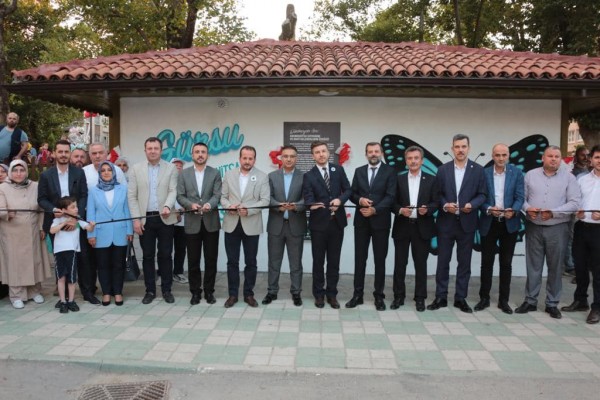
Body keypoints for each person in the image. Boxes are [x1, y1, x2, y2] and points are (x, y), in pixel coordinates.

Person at [515, 145, 581, 319]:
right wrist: (527, 208)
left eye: (557, 156)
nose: (553, 159)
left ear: (560, 159)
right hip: (534, 226)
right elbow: (521, 198)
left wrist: (553, 212)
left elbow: (575, 203)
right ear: (542, 158)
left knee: (555, 267)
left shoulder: (569, 178)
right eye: (550, 156)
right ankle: (530, 300)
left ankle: (552, 303)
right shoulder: (531, 175)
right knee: (533, 266)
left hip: (558, 227)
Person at [428, 134, 486, 313]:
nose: (460, 150)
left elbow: (482, 194)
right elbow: (437, 194)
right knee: (443, 262)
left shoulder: (478, 170)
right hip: (446, 222)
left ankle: (461, 298)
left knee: (464, 263)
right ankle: (441, 297)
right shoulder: (442, 170)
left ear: (469, 148)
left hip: (467, 224)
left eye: (463, 146)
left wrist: (472, 205)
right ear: (452, 148)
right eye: (457, 147)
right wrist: (446, 205)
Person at [37, 140, 92, 305]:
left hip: (76, 220)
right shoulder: (46, 175)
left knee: (82, 258)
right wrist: (54, 209)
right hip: (56, 222)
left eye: (66, 152)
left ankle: (87, 293)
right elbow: (41, 199)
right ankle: (64, 297)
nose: (63, 155)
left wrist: (76, 217)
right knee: (61, 258)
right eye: (60, 151)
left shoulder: (78, 173)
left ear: (70, 153)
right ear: (54, 153)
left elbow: (84, 195)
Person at [128, 137, 178, 304]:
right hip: (145, 219)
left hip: (165, 217)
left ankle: (166, 290)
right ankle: (150, 290)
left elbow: (173, 190)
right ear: (145, 151)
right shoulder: (136, 169)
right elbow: (132, 196)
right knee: (148, 256)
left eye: (156, 148)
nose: (153, 151)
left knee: (165, 255)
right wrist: (136, 220)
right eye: (149, 148)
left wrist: (168, 206)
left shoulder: (171, 168)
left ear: (161, 150)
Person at [476, 143, 525, 314]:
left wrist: (514, 210)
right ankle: (484, 298)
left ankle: (504, 300)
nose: (501, 158)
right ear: (492, 156)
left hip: (509, 223)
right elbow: (479, 197)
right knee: (486, 263)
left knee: (506, 263)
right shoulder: (484, 173)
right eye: (497, 155)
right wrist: (489, 208)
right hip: (489, 222)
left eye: (504, 155)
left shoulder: (516, 173)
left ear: (508, 155)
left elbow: (520, 197)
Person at [346, 142, 396, 311]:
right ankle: (357, 295)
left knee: (379, 260)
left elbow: (391, 196)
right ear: (366, 154)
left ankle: (379, 296)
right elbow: (352, 193)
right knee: (360, 259)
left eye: (376, 151)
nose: (373, 154)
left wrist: (375, 209)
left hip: (381, 222)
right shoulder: (359, 171)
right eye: (370, 152)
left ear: (381, 153)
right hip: (361, 222)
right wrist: (360, 200)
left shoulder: (390, 171)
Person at [303, 141, 351, 309]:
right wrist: (311, 204)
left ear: (328, 153)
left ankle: (332, 294)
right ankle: (319, 294)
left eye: (323, 151)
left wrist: (340, 200)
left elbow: (348, 190)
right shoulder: (309, 175)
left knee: (334, 261)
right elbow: (307, 196)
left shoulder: (338, 170)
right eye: (317, 152)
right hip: (318, 224)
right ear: (313, 156)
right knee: (318, 261)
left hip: (337, 223)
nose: (321, 154)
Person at [391, 146, 439, 312]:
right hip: (402, 226)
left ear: (422, 160)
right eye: (410, 158)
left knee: (420, 264)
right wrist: (400, 210)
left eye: (416, 158)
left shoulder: (432, 179)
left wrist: (428, 209)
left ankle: (420, 298)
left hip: (422, 227)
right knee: (400, 264)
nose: (413, 161)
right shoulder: (398, 179)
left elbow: (436, 202)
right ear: (406, 161)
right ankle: (398, 296)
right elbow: (392, 202)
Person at [221, 145, 270, 308]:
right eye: (245, 158)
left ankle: (249, 294)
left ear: (254, 160)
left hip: (251, 224)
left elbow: (265, 200)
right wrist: (229, 206)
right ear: (239, 159)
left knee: (251, 262)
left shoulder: (262, 177)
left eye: (250, 158)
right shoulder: (229, 175)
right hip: (232, 223)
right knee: (232, 262)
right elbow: (223, 197)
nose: (247, 161)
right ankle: (233, 295)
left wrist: (248, 210)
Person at [0, 160, 51, 309]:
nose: (18, 174)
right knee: (15, 264)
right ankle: (16, 295)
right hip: (12, 233)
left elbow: (41, 208)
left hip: (33, 230)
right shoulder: (3, 188)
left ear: (26, 172)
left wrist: (41, 228)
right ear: (10, 172)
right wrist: (7, 213)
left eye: (22, 170)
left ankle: (35, 291)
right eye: (15, 171)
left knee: (34, 261)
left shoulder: (35, 186)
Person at [176, 143, 222, 305]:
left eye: (203, 152)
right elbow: (180, 196)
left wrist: (209, 204)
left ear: (207, 155)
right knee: (193, 260)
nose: (200, 154)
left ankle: (209, 291)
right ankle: (195, 292)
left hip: (211, 222)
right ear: (192, 155)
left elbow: (218, 195)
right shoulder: (184, 174)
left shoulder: (215, 173)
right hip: (192, 222)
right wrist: (190, 205)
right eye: (197, 152)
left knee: (211, 260)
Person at [262, 145, 306, 307]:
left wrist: (295, 206)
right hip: (276, 225)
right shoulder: (272, 176)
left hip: (296, 225)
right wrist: (278, 206)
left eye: (292, 156)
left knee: (296, 263)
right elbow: (268, 197)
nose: (288, 159)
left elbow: (307, 198)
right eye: (285, 156)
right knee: (274, 262)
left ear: (296, 158)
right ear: (280, 158)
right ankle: (272, 291)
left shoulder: (304, 177)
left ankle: (296, 292)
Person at [561, 144, 600, 324]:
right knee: (580, 266)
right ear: (591, 160)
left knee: (598, 271)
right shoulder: (582, 179)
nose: (599, 161)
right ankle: (580, 300)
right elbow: (575, 200)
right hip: (582, 227)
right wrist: (577, 211)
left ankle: (597, 307)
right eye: (597, 157)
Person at [86, 161, 133, 306]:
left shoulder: (122, 189)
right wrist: (91, 234)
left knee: (119, 264)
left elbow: (127, 210)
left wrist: (129, 230)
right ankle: (106, 292)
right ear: (99, 174)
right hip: (101, 233)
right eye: (103, 170)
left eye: (109, 170)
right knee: (103, 265)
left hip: (120, 232)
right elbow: (91, 213)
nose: (106, 172)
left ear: (113, 172)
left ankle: (118, 292)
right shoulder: (93, 191)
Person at [50, 196, 94, 313]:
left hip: (72, 251)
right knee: (61, 278)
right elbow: (52, 230)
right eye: (73, 207)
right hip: (59, 252)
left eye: (76, 206)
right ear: (64, 210)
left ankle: (71, 301)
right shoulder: (58, 219)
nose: (76, 209)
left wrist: (92, 225)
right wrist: (65, 222)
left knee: (72, 278)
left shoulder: (78, 219)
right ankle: (63, 301)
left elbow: (88, 228)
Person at [171, 158, 188, 284]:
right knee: (165, 249)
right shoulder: (165, 180)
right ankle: (163, 274)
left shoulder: (186, 181)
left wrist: (184, 208)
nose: (178, 167)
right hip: (168, 221)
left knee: (181, 248)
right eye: (175, 165)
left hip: (182, 222)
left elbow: (191, 199)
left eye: (180, 165)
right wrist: (174, 211)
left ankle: (178, 272)